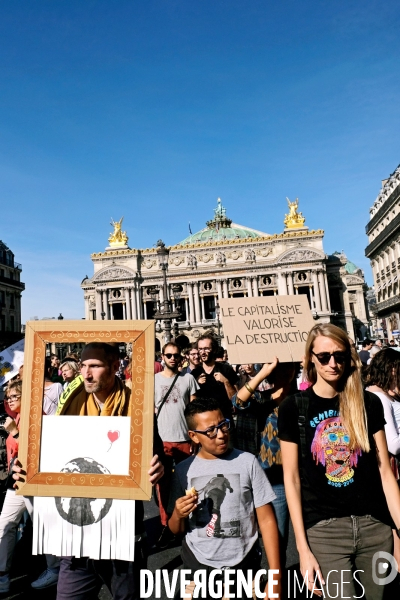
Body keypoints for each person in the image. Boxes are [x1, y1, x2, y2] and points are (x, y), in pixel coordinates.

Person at [14, 342, 164, 600]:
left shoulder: (136, 406)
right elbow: (47, 450)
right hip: (75, 535)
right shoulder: (69, 404)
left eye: (94, 365)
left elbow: (155, 451)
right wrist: (24, 466)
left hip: (121, 532)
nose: (86, 373)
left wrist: (157, 466)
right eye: (83, 365)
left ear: (116, 367)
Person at [279, 323, 400, 599]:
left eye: (339, 356)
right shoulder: (294, 406)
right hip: (325, 532)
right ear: (310, 357)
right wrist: (302, 548)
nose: (332, 363)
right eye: (324, 357)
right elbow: (292, 480)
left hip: (375, 526)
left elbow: (384, 471)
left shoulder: (368, 402)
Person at [168, 397, 281, 599]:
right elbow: (176, 529)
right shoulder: (183, 471)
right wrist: (178, 514)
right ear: (193, 436)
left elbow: (266, 520)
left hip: (244, 567)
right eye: (210, 430)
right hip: (199, 567)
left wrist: (275, 576)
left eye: (223, 425)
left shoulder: (248, 462)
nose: (221, 435)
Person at [0, 380, 60, 593]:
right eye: (8, 397)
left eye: (15, 396)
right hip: (16, 481)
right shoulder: (14, 417)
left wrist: (15, 433)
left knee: (43, 525)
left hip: (33, 478)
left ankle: (55, 569)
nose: (10, 400)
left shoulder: (36, 417)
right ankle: (3, 576)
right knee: (5, 524)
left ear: (26, 398)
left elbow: (34, 449)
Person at [233, 361, 296, 562]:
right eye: (276, 368)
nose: (280, 371)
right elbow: (237, 401)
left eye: (287, 366)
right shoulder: (263, 401)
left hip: (301, 478)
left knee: (313, 536)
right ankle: (275, 582)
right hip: (272, 480)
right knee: (277, 539)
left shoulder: (301, 400)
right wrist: (261, 374)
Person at [154, 342, 198, 547]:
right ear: (162, 356)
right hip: (162, 440)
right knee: (163, 486)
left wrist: (196, 436)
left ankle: (188, 522)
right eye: (169, 355)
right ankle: (166, 525)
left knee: (188, 484)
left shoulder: (188, 379)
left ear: (181, 357)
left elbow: (193, 410)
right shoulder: (153, 381)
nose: (172, 358)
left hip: (184, 439)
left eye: (176, 355)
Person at [365, 347, 400, 572]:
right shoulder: (378, 398)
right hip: (390, 471)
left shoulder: (389, 394)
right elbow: (392, 444)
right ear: (390, 369)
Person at [191, 334, 237, 419]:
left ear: (214, 349)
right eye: (200, 349)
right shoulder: (194, 374)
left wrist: (226, 382)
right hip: (204, 420)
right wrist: (196, 384)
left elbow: (236, 399)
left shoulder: (226, 369)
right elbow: (192, 402)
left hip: (224, 419)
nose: (203, 352)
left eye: (206, 349)